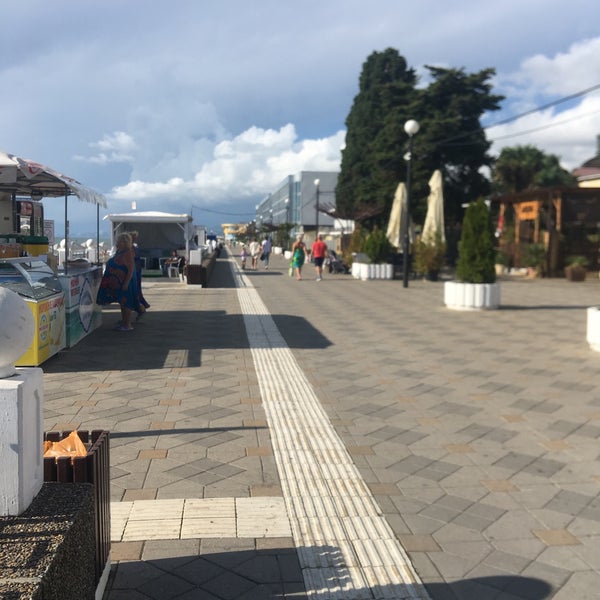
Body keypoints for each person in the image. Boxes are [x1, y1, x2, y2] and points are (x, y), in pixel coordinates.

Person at [96, 232, 141, 331]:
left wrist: (126, 283)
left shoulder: (128, 252)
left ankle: (127, 324)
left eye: (119, 241)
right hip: (119, 281)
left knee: (126, 302)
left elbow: (130, 269)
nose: (117, 243)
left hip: (125, 281)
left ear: (124, 242)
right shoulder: (120, 251)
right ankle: (124, 322)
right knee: (122, 302)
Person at [131, 231, 150, 315]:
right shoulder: (135, 246)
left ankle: (140, 307)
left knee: (135, 289)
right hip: (136, 269)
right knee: (136, 289)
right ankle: (141, 306)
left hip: (134, 270)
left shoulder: (133, 247)